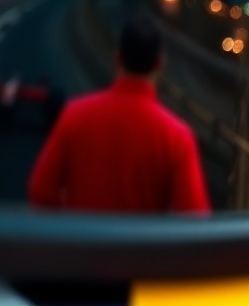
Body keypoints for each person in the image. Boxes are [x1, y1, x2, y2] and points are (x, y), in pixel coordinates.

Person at [27, 15, 210, 214]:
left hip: (80, 242)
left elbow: (41, 190)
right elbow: (194, 219)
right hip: (141, 244)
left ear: (118, 59)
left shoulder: (74, 114)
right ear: (159, 65)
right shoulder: (177, 137)